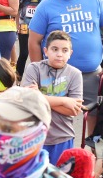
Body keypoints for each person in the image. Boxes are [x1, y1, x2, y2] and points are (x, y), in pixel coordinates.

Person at [28, 0, 103, 143]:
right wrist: (38, 70)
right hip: (56, 74)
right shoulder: (46, 6)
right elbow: (34, 41)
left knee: (92, 113)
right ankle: (52, 148)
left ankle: (88, 149)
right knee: (53, 112)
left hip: (91, 72)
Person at [21, 29, 84, 164]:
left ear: (70, 54)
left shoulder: (75, 74)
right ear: (46, 51)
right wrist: (64, 101)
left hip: (63, 137)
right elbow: (27, 100)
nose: (59, 54)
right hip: (34, 136)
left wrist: (39, 96)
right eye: (54, 49)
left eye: (64, 50)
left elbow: (74, 110)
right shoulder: (34, 68)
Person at [17, 0, 52, 75]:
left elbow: (48, 5)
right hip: (24, 22)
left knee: (41, 52)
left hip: (41, 23)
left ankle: (41, 77)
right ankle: (18, 78)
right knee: (23, 53)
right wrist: (16, 23)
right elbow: (18, 4)